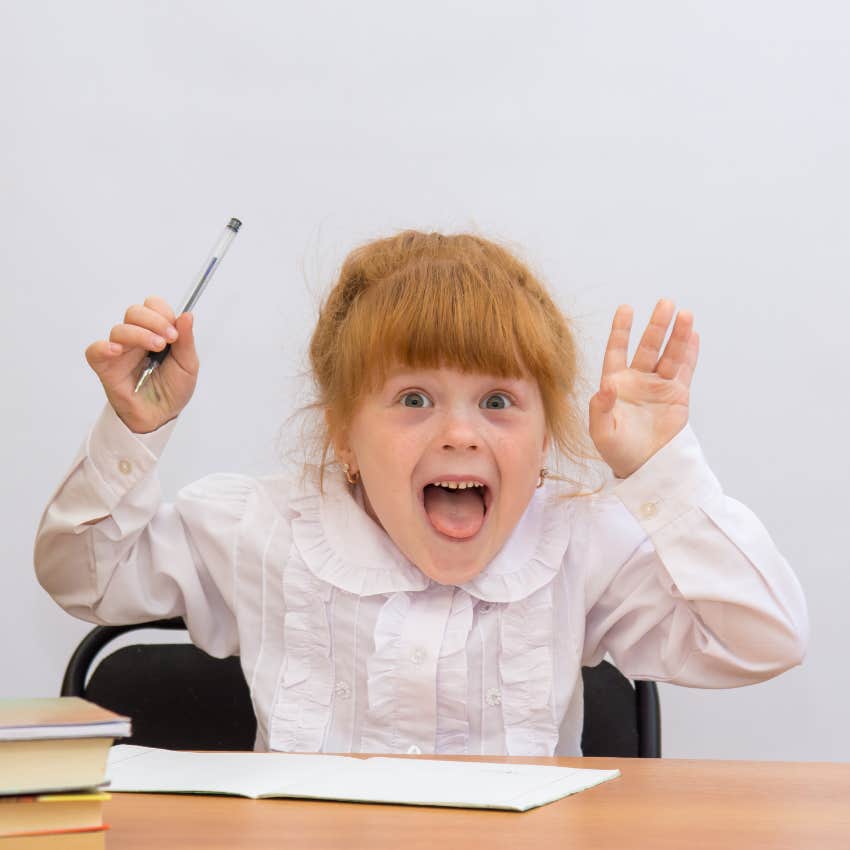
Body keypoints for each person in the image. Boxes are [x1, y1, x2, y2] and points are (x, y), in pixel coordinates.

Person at [34, 231, 808, 756]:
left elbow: (764, 638)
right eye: (412, 400)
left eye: (498, 402)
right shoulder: (261, 527)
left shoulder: (578, 540)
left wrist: (660, 472)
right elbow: (82, 576)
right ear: (342, 437)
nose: (460, 435)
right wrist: (130, 431)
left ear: (545, 443)